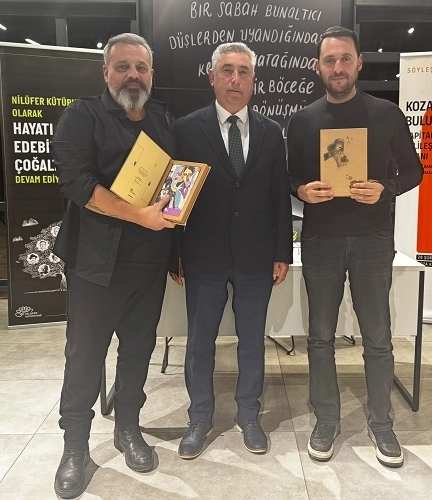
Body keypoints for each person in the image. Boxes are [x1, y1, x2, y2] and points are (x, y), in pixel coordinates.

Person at [286, 26, 423, 467]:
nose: (338, 67)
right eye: (330, 60)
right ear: (318, 67)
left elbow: (414, 171)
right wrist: (301, 191)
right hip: (321, 241)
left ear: (359, 62)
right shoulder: (303, 120)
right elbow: (289, 177)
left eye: (346, 58)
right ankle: (326, 419)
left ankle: (381, 423)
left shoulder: (386, 114)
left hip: (372, 241)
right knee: (320, 338)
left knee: (378, 338)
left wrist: (386, 188)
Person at [50, 33, 179, 498]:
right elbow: (78, 184)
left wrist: (175, 247)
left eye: (141, 68)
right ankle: (75, 447)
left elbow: (171, 186)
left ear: (151, 74)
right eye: (123, 67)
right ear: (106, 72)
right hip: (94, 264)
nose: (132, 76)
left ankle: (128, 428)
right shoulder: (81, 117)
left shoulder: (162, 119)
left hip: (149, 261)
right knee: (85, 356)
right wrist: (138, 214)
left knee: (138, 350)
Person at [173, 42, 293, 459]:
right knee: (199, 343)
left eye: (244, 71)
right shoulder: (186, 129)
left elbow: (279, 196)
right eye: (227, 70)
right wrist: (174, 252)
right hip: (202, 256)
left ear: (254, 80)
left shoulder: (270, 132)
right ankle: (199, 418)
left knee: (252, 342)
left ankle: (249, 415)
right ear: (212, 77)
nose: (235, 79)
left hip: (256, 257)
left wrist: (282, 251)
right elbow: (175, 195)